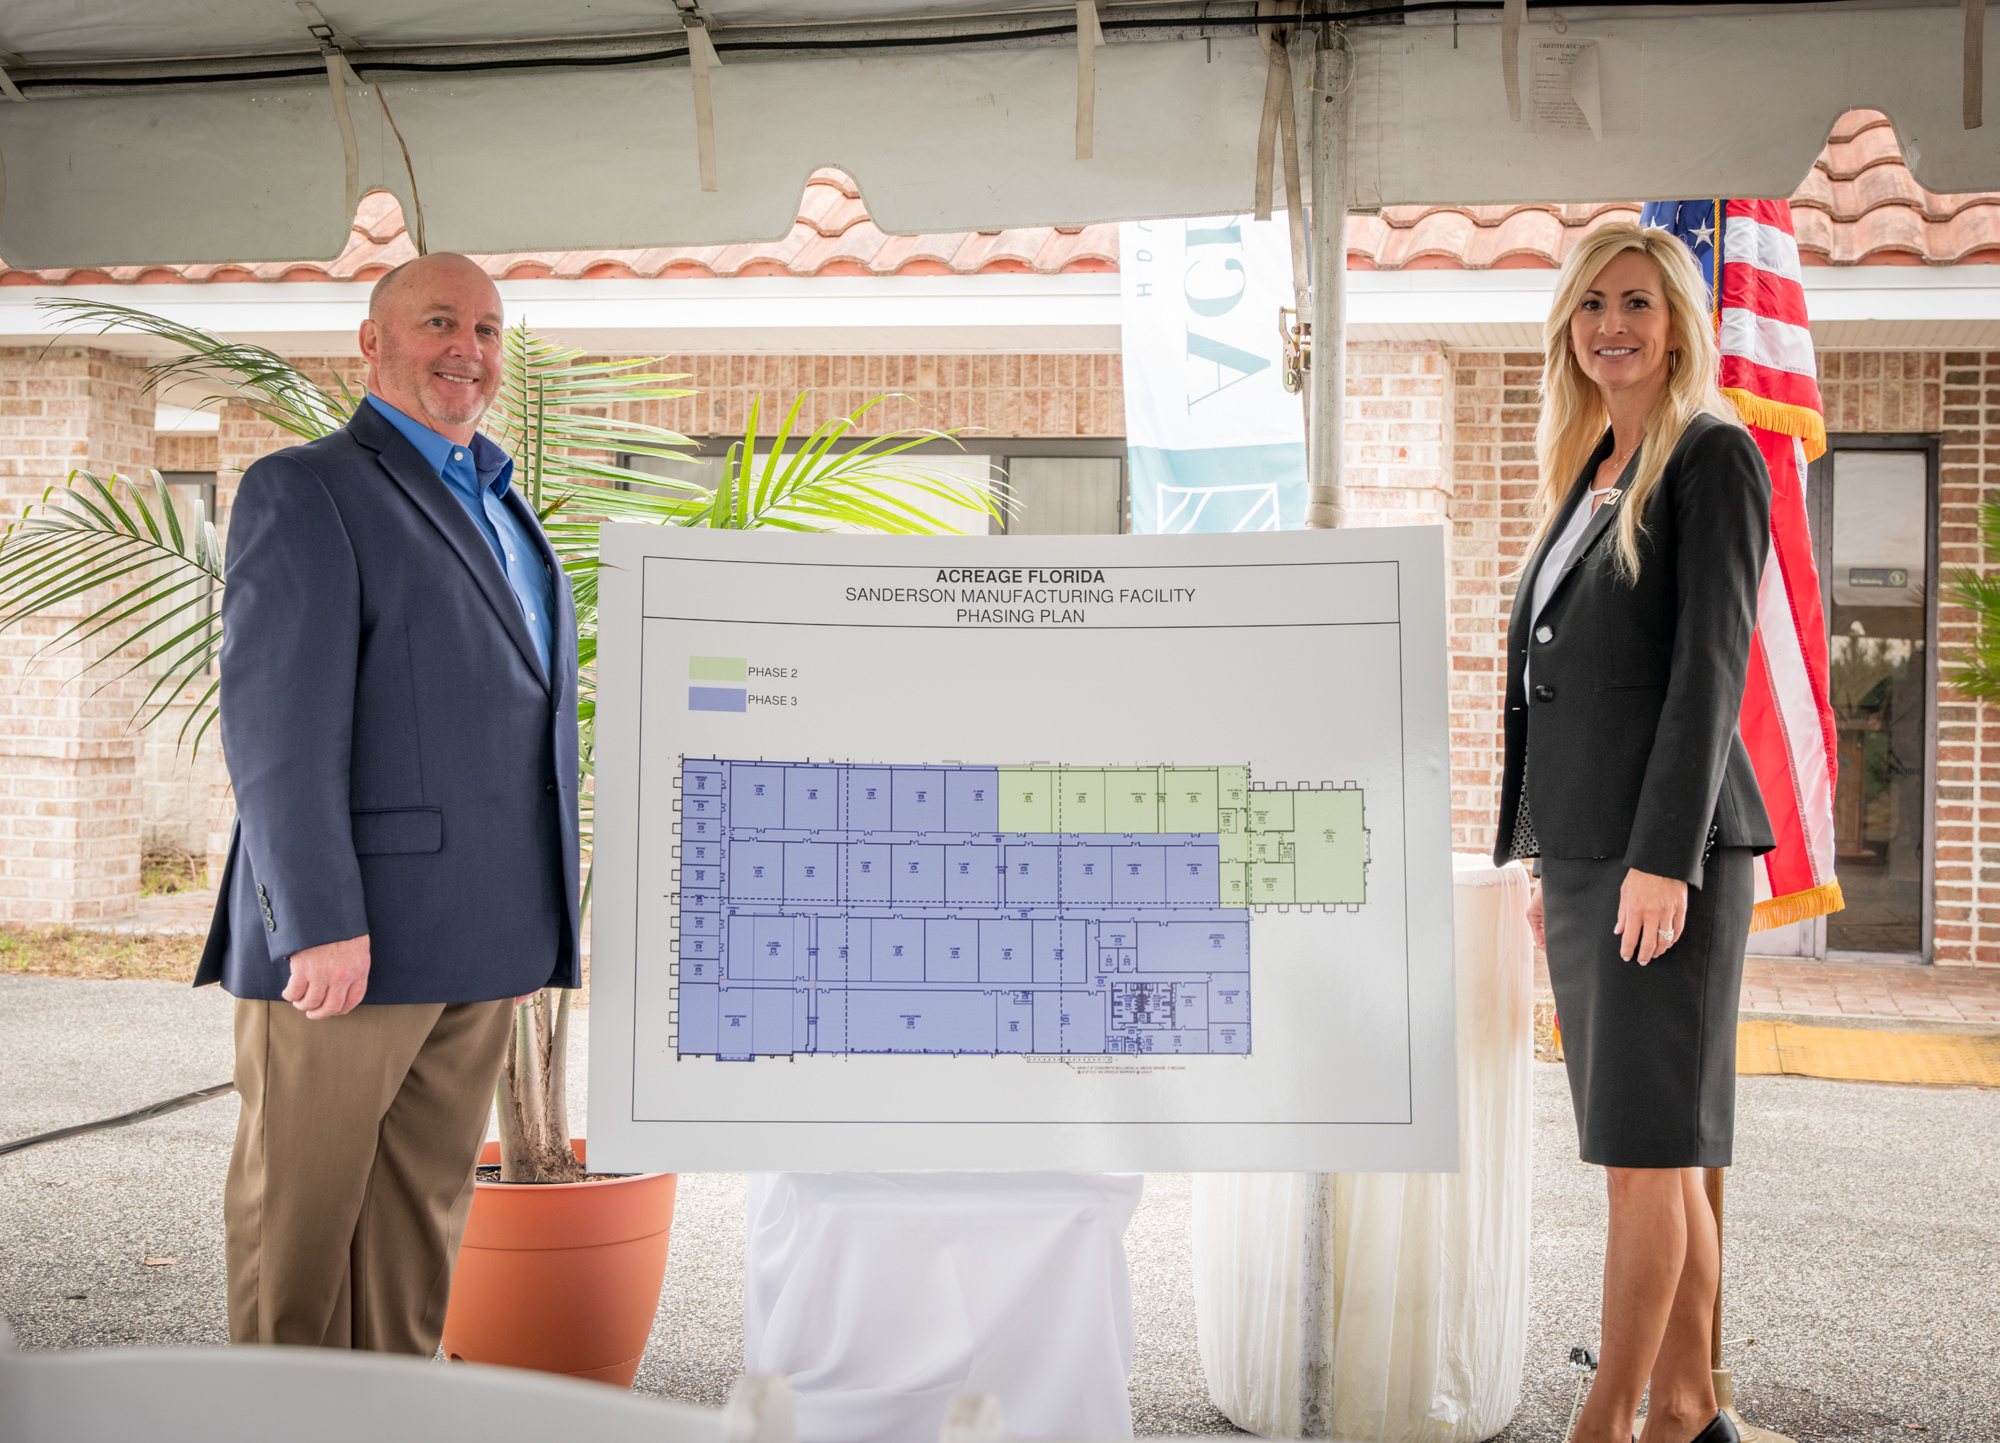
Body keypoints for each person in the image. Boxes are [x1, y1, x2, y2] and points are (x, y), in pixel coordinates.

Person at [196, 252, 581, 1353]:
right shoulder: (307, 488)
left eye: (490, 330)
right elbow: (276, 725)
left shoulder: (502, 502)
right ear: (373, 343)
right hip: (346, 950)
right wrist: (314, 920)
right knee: (299, 1241)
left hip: (483, 941)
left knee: (414, 1237)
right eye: (440, 323)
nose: (469, 349)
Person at [1493, 222, 1776, 1443]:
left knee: (1642, 1155)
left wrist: (1658, 857)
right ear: (1569, 325)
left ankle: (1611, 1422)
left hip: (1658, 857)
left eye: (1639, 305)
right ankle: (1684, 1404)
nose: (1613, 324)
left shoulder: (1708, 455)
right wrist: (1539, 847)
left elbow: (1708, 669)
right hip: (1590, 855)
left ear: (1678, 327)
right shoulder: (1592, 466)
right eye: (1594, 303)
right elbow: (1557, 680)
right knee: (1652, 1143)